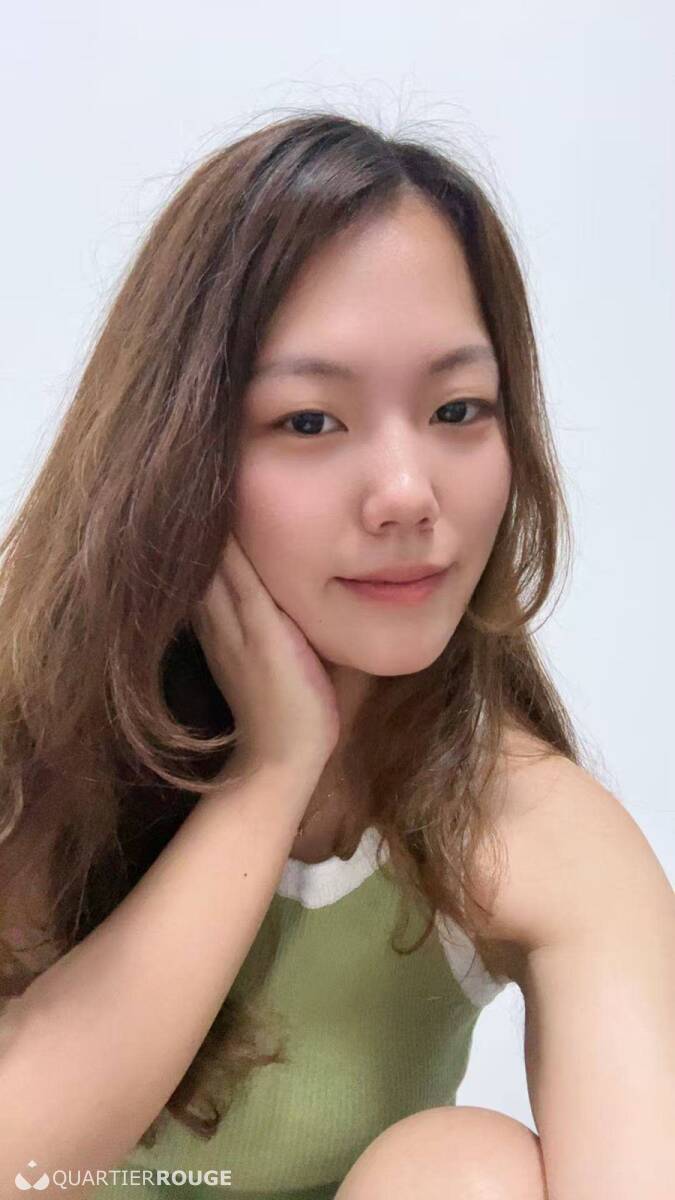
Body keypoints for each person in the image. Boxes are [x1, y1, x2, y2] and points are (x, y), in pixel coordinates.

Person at [0, 111, 672, 1200]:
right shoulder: (43, 747)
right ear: (177, 454)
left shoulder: (533, 831)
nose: (408, 493)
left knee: (468, 1171)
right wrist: (270, 774)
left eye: (459, 409)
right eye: (310, 421)